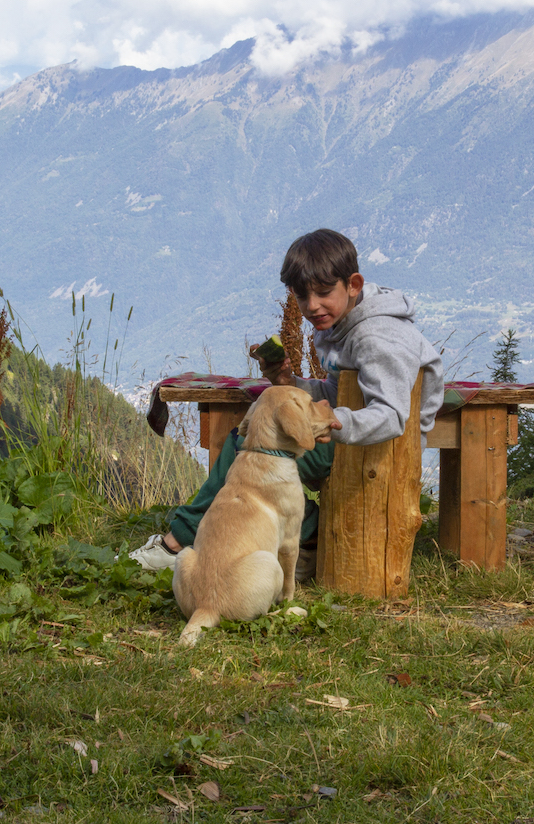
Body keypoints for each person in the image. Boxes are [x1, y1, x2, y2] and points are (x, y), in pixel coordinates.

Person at [129, 228, 444, 578]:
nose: (311, 306)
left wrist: (335, 422)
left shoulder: (377, 336)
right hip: (354, 434)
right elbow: (342, 394)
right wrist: (289, 384)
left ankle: (178, 543)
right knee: (251, 442)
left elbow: (392, 417)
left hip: (382, 447)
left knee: (255, 447)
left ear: (353, 284)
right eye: (301, 296)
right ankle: (308, 539)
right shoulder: (340, 320)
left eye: (324, 293)